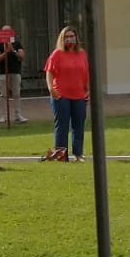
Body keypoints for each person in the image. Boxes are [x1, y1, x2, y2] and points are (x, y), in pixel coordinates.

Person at [45, 25, 90, 160]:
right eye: (66, 37)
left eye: (72, 36)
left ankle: (78, 153)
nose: (69, 39)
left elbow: (86, 72)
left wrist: (88, 89)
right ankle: (61, 155)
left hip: (79, 95)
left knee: (78, 124)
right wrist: (51, 88)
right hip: (61, 95)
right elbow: (49, 72)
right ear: (62, 39)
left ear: (76, 38)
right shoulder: (57, 54)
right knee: (62, 125)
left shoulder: (82, 53)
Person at [0, 29, 26, 126]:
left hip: (15, 72)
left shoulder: (17, 44)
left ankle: (18, 115)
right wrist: (6, 52)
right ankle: (3, 116)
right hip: (3, 73)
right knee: (3, 95)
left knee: (16, 94)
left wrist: (13, 51)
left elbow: (22, 56)